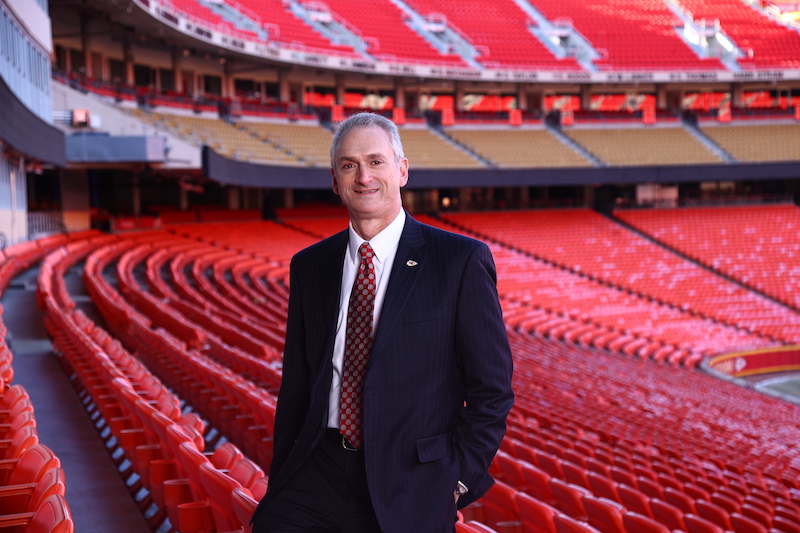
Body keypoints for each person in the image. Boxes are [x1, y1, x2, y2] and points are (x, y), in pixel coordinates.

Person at [250, 112, 514, 533]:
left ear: (402, 170)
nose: (364, 177)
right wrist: (283, 472)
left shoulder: (459, 260)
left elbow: (492, 389)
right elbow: (297, 384)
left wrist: (456, 480)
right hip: (318, 467)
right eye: (349, 165)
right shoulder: (309, 266)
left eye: (376, 161)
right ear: (335, 180)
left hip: (411, 478)